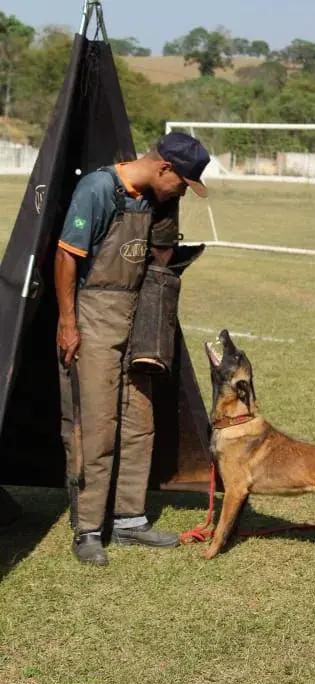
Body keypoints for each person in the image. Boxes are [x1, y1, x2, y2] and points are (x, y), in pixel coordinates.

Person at [54, 132, 210, 566]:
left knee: (139, 422)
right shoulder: (99, 188)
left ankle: (129, 522)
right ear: (164, 168)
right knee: (96, 425)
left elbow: (157, 260)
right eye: (183, 182)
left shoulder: (156, 200)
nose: (183, 190)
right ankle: (87, 529)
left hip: (136, 315)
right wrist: (68, 323)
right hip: (94, 314)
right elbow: (66, 255)